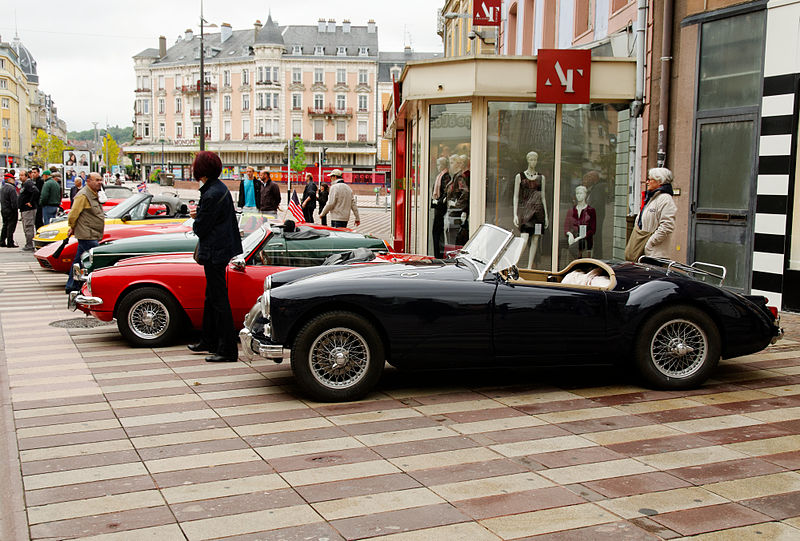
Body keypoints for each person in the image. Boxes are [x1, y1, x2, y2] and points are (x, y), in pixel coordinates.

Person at [189, 151, 243, 363]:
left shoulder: (211, 193)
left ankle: (228, 349)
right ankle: (209, 340)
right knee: (211, 297)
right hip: (220, 249)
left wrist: (196, 218)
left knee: (219, 300)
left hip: (215, 251)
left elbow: (201, 227)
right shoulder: (218, 188)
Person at [65, 173, 105, 293]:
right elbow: (73, 213)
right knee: (96, 258)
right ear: (88, 181)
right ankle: (97, 284)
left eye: (100, 180)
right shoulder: (83, 195)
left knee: (79, 260)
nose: (99, 182)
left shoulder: (93, 194)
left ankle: (71, 285)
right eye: (96, 180)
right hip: (87, 234)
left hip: (91, 233)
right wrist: (72, 226)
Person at [627, 167, 677, 260]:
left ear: (659, 181)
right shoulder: (652, 197)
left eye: (650, 179)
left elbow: (667, 226)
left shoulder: (665, 199)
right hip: (644, 252)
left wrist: (650, 243)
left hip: (654, 254)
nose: (647, 182)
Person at [513, 151, 548, 268]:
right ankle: (515, 263)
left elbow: (543, 197)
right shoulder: (520, 176)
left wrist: (546, 216)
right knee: (524, 238)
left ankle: (529, 267)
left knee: (535, 239)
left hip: (538, 212)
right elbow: (516, 196)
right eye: (531, 159)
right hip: (525, 211)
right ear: (527, 160)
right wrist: (515, 214)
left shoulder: (541, 177)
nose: (533, 162)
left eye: (535, 159)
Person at [563, 185, 596, 259]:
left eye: (581, 193)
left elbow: (593, 230)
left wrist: (580, 237)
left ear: (585, 195)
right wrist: (569, 234)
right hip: (573, 236)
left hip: (586, 239)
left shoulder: (591, 210)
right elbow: (566, 226)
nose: (578, 195)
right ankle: (558, 267)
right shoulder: (571, 210)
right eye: (577, 193)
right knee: (559, 244)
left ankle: (578, 263)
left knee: (574, 247)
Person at [431, 156, 450, 258]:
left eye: (439, 164)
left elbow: (446, 192)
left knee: (437, 231)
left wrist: (437, 201)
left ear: (443, 165)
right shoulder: (440, 175)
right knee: (437, 231)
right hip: (438, 207)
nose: (438, 166)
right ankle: (438, 253)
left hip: (441, 208)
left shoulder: (445, 176)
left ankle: (439, 254)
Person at [18, 169, 39, 251]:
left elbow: (36, 191)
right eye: (19, 175)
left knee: (28, 227)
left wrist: (30, 202)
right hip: (24, 210)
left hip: (28, 210)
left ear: (26, 176)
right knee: (26, 227)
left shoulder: (28, 183)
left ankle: (30, 245)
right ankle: (28, 243)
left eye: (22, 175)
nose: (20, 177)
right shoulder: (24, 184)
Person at [0, 172, 19, 248]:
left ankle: (2, 241)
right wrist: (15, 209)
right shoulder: (11, 188)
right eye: (13, 179)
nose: (14, 181)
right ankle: (10, 242)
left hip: (4, 209)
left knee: (5, 225)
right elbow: (14, 202)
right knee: (11, 226)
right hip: (11, 210)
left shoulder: (2, 188)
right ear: (9, 180)